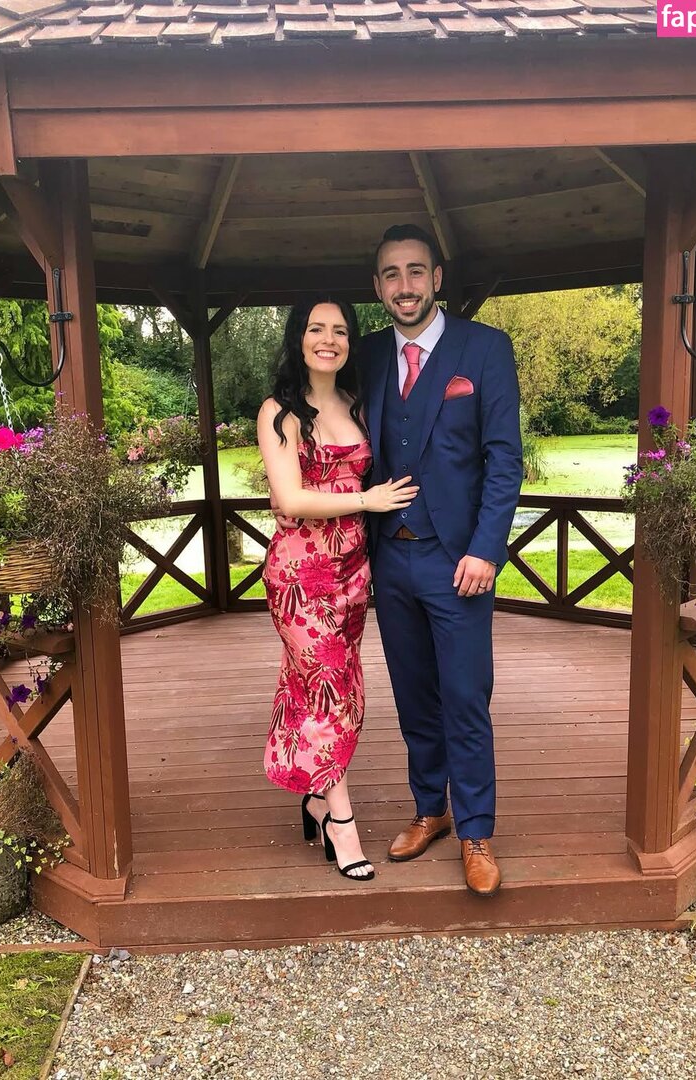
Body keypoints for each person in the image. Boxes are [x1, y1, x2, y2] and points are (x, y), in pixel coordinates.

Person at [361, 224, 523, 896]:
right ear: (378, 287)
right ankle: (431, 808)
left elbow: (504, 459)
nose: (404, 285)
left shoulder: (484, 349)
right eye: (391, 274)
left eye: (415, 271)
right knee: (414, 697)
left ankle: (476, 831)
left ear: (437, 278)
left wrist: (487, 549)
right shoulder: (368, 354)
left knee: (465, 698)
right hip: (389, 560)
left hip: (458, 561)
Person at [257, 297, 418, 882]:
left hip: (353, 572)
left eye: (340, 331)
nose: (328, 339)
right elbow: (290, 498)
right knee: (327, 691)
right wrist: (366, 499)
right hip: (301, 577)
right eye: (316, 329)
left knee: (335, 687)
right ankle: (341, 822)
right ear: (298, 338)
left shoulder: (356, 403)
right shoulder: (279, 412)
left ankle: (315, 799)